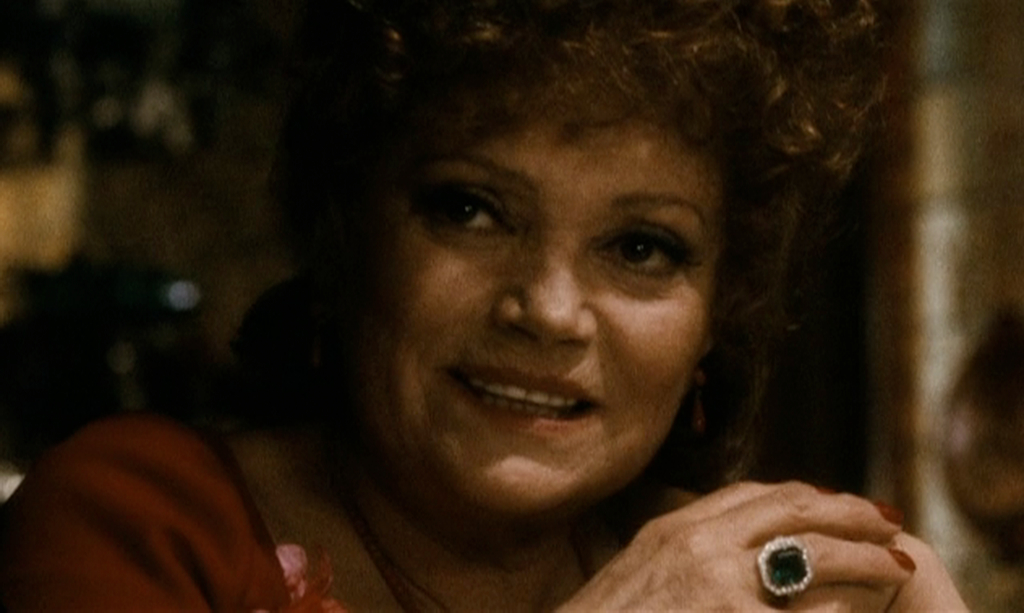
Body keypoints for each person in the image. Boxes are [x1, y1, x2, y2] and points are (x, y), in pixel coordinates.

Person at [0, 0, 967, 610]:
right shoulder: (133, 520)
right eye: (471, 210)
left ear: (720, 308)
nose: (549, 310)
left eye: (641, 247)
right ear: (346, 227)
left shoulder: (755, 579)